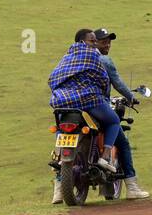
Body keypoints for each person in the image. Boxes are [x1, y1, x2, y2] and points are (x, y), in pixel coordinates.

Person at [49, 28, 123, 202]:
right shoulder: (92, 56)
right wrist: (103, 94)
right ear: (83, 42)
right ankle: (104, 157)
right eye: (92, 41)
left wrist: (64, 92)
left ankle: (60, 159)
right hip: (87, 100)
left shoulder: (66, 57)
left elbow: (52, 79)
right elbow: (104, 80)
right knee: (113, 121)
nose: (94, 43)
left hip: (62, 101)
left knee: (61, 127)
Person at [92, 27, 149, 200]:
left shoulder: (74, 59)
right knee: (121, 140)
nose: (107, 44)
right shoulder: (103, 60)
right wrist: (131, 98)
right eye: (103, 41)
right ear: (93, 42)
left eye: (109, 41)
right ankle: (131, 187)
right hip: (96, 104)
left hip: (73, 106)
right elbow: (117, 82)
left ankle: (59, 186)